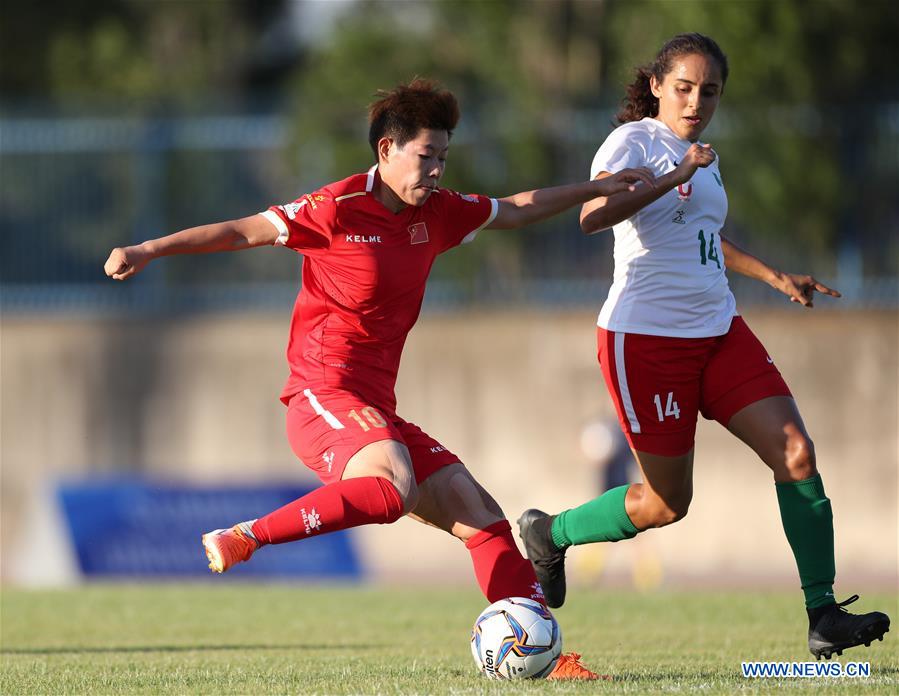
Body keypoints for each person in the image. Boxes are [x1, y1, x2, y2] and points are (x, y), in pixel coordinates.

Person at [104, 79, 654, 680]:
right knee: (392, 482)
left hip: (374, 407)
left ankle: (547, 656)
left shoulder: (438, 214)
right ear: (386, 149)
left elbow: (515, 207)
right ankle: (246, 536)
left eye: (444, 156)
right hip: (320, 395)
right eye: (426, 155)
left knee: (482, 515)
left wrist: (595, 187)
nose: (437, 169)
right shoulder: (335, 208)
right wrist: (150, 248)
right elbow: (242, 230)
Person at [517, 34, 890, 661]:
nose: (696, 101)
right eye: (684, 88)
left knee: (797, 452)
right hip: (646, 341)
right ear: (658, 86)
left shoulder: (704, 156)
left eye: (709, 91)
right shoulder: (633, 143)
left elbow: (704, 238)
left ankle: (822, 615)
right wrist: (677, 173)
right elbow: (592, 218)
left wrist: (774, 276)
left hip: (719, 330)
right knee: (666, 504)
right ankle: (550, 533)